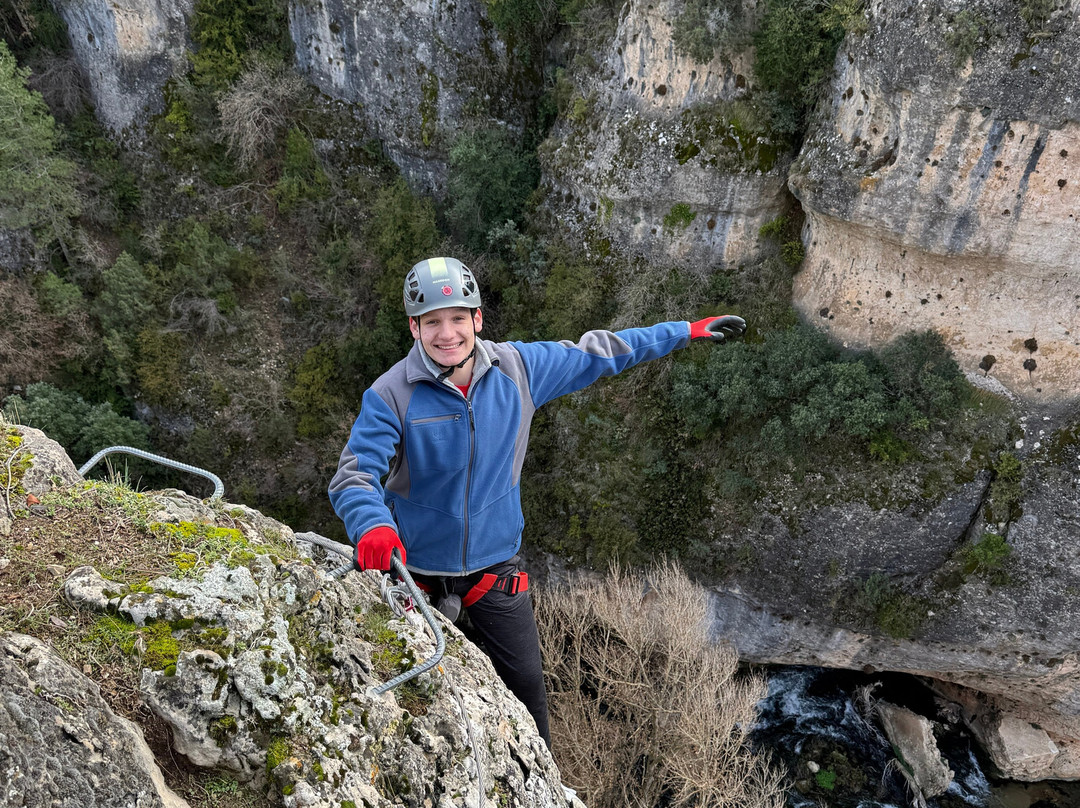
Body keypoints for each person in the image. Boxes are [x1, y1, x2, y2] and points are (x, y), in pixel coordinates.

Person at [328, 256, 745, 749]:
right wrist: (372, 524)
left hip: (493, 573)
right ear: (415, 327)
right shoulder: (391, 395)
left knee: (528, 703)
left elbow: (602, 351)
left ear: (477, 320)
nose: (447, 334)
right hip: (412, 573)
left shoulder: (519, 370)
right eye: (433, 322)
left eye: (458, 318)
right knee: (411, 710)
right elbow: (354, 474)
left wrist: (686, 332)